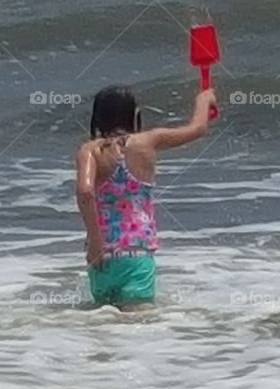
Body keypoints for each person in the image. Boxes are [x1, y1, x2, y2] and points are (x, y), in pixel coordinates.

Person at [75, 86, 217, 311]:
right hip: (136, 255)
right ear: (134, 114)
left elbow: (85, 192)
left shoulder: (90, 150)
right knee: (138, 332)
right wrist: (205, 98)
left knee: (102, 329)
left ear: (97, 117)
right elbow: (197, 128)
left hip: (101, 260)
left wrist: (95, 243)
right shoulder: (149, 141)